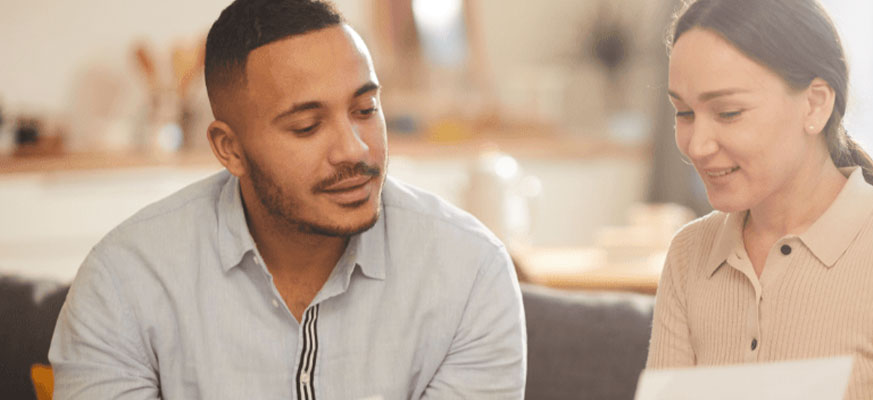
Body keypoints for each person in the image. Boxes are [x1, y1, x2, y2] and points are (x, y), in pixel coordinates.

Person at [48, 1, 526, 398]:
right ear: (229, 148)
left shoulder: (470, 273)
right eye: (307, 126)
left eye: (365, 110)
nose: (354, 150)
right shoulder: (123, 283)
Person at [645, 0, 873, 398]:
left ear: (815, 104)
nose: (698, 145)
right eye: (684, 113)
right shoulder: (689, 254)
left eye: (728, 113)